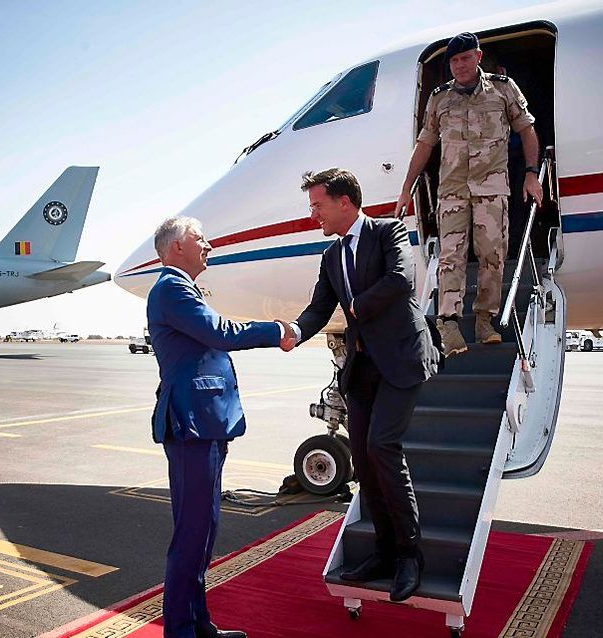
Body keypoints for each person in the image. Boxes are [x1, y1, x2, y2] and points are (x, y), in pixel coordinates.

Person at [280, 169, 440, 602]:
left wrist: (356, 305)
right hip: (363, 368)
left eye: (318, 205)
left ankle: (411, 554)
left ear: (344, 202)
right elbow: (318, 309)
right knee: (365, 464)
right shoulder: (331, 258)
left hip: (401, 359)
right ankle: (384, 550)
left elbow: (402, 280)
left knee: (383, 448)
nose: (313, 214)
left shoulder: (388, 232)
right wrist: (294, 330)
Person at [147, 216, 295, 638]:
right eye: (200, 238)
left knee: (204, 530)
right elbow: (219, 332)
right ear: (177, 247)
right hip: (192, 423)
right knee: (191, 534)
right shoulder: (171, 287)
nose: (208, 245)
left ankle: (198, 625)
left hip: (205, 423)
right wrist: (276, 330)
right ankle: (180, 631)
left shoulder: (181, 288)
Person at [394, 31, 543, 355]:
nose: (459, 66)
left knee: (493, 255)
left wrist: (531, 175)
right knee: (451, 258)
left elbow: (527, 132)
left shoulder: (503, 89)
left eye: (465, 58)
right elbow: (425, 144)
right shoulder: (439, 98)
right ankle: (448, 323)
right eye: (454, 61)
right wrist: (406, 189)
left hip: (492, 188)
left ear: (477, 57)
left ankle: (484, 320)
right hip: (452, 192)